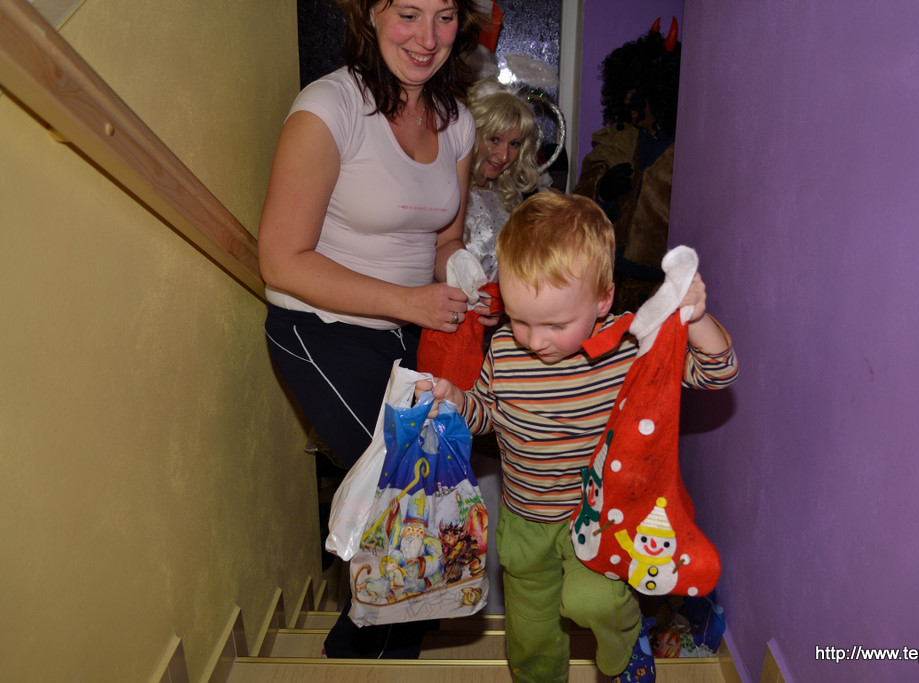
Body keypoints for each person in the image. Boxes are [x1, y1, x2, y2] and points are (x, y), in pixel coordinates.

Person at [416, 192, 738, 682]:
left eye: (556, 324)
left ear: (603, 300)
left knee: (593, 600)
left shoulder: (626, 346)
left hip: (597, 518)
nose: (534, 339)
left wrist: (695, 320)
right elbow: (486, 415)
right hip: (524, 522)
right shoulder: (503, 349)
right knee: (531, 632)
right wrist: (457, 401)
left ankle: (628, 641)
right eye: (519, 319)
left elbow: (717, 373)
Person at [257, 0, 490, 659]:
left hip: (410, 331)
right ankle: (366, 658)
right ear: (370, 13)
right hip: (321, 327)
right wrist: (409, 301)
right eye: (408, 14)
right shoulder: (328, 109)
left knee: (425, 506)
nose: (427, 38)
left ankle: (377, 653)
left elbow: (444, 239)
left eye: (444, 16)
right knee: (409, 498)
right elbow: (281, 258)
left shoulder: (458, 121)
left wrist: (464, 280)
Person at [573, 21, 682, 314]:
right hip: (608, 280)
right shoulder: (619, 140)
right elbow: (579, 208)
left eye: (637, 96)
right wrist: (602, 193)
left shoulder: (688, 151)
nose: (628, 104)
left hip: (661, 288)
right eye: (625, 93)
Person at [463, 79, 542, 281]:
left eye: (514, 144)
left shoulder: (510, 196)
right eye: (495, 139)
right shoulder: (450, 191)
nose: (504, 155)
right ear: (472, 133)